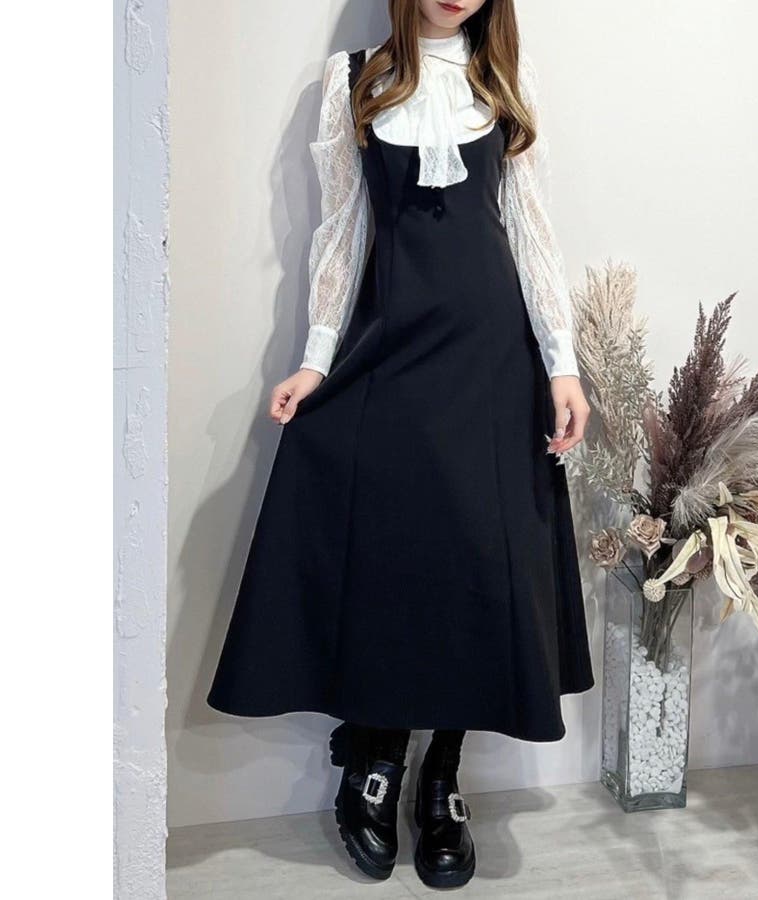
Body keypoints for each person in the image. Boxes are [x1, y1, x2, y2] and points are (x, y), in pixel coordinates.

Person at [206, 0, 594, 889]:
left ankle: (442, 778)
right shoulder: (353, 81)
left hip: (494, 358)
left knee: (474, 562)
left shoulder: (505, 80)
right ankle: (374, 760)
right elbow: (341, 230)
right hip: (391, 346)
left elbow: (532, 230)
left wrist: (563, 364)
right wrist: (316, 359)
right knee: (392, 553)